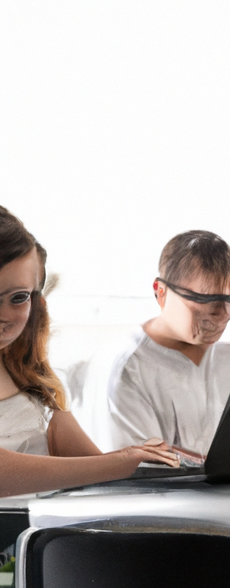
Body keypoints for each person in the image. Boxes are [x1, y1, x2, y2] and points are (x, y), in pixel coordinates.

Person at [0, 206, 176, 497]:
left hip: (42, 535)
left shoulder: (27, 377)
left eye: (18, 298)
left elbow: (102, 470)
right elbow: (107, 468)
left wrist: (161, 464)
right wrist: (121, 462)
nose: (4, 315)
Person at [107, 230, 230, 457]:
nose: (216, 317)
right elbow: (144, 462)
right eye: (202, 302)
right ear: (161, 292)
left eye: (227, 302)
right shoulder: (130, 370)